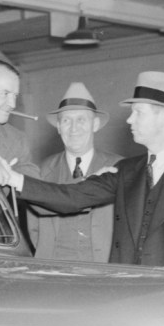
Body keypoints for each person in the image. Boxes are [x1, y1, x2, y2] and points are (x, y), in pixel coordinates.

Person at [2, 71, 164, 267]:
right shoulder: (126, 169)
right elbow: (71, 197)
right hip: (128, 286)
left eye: (138, 113)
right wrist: (13, 179)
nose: (129, 120)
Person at [27, 82, 121, 262]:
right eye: (66, 120)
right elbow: (33, 228)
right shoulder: (41, 171)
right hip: (54, 269)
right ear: (59, 127)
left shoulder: (119, 167)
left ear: (95, 124)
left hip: (105, 270)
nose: (73, 128)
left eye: (81, 120)